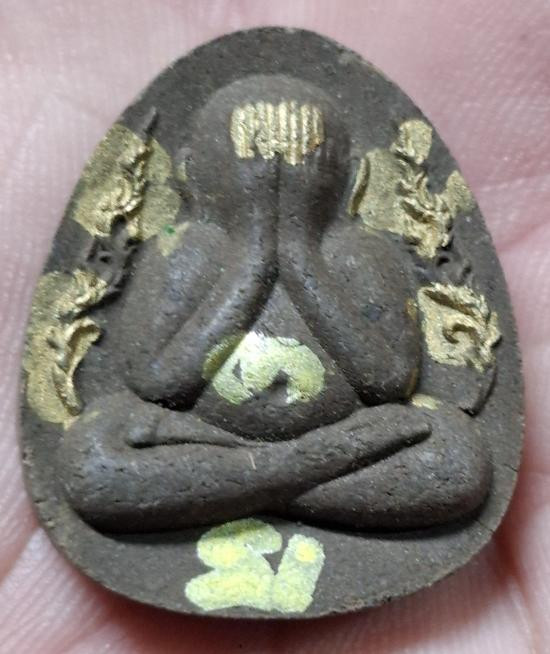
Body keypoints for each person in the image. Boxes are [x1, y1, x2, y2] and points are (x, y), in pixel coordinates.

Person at [1, 2, 546, 653]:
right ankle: (280, 483)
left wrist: (299, 253)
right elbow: (156, 381)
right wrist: (256, 253)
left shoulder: (359, 252)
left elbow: (387, 380)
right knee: (93, 454)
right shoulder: (188, 250)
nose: (275, 182)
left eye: (301, 166)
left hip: (324, 438)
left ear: (350, 180)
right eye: (250, 165)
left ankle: (229, 491)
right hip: (218, 438)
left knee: (456, 455)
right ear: (195, 177)